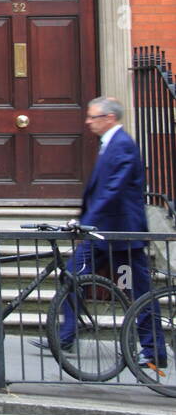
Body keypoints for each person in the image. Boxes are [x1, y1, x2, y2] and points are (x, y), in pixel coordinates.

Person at [34, 97, 167, 370]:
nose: (87, 121)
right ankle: (66, 336)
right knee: (71, 276)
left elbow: (113, 190)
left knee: (138, 291)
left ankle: (153, 351)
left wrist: (88, 222)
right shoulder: (109, 144)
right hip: (101, 234)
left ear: (109, 118)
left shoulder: (123, 146)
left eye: (93, 117)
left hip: (122, 235)